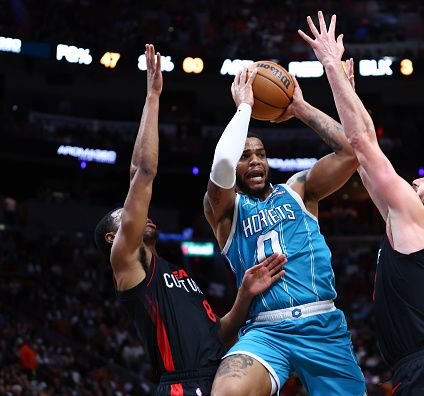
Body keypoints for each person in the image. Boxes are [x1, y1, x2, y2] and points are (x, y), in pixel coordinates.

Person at [299, 11, 424, 396]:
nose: (417, 178)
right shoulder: (418, 229)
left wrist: (330, 66)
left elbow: (362, 145)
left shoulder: (419, 221)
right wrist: (346, 95)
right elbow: (363, 164)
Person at [93, 44, 287, 396]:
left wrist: (243, 295)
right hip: (180, 385)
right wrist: (153, 97)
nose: (139, 215)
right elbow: (143, 172)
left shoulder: (176, 273)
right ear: (112, 238)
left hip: (215, 379)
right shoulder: (127, 261)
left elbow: (217, 335)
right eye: (123, 215)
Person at [203, 65, 366, 395]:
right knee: (227, 392)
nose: (255, 162)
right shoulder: (223, 211)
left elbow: (350, 152)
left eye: (261, 154)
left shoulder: (298, 190)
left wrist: (299, 108)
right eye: (245, 156)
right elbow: (221, 165)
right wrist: (245, 107)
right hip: (265, 331)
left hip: (321, 323)